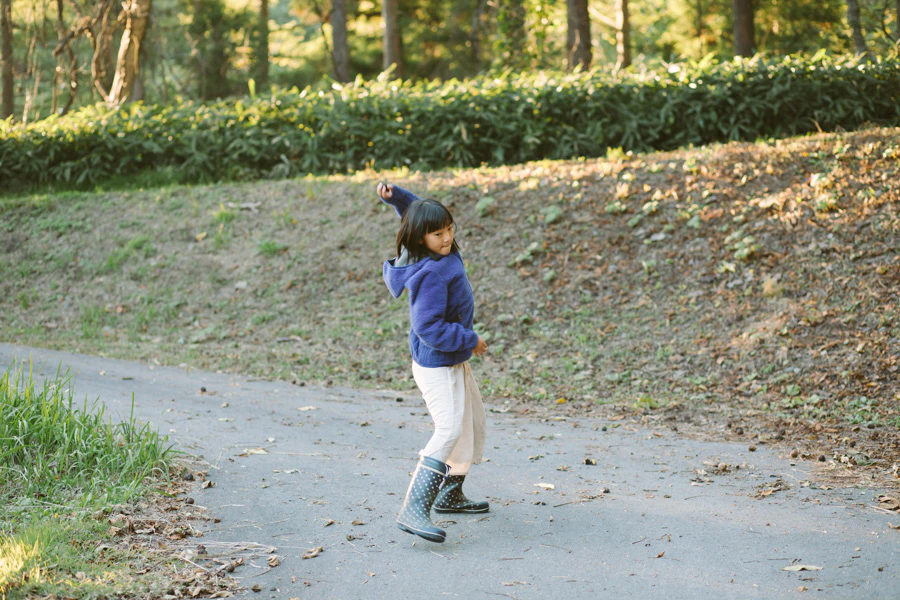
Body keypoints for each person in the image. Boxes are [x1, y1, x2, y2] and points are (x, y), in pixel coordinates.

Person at [378, 182, 489, 544]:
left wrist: (396, 197)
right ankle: (413, 508)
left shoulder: (446, 255)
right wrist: (470, 340)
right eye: (437, 234)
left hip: (451, 360)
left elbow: (416, 211)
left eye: (449, 229)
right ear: (419, 239)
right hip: (437, 364)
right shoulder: (429, 273)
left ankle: (450, 494)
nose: (446, 238)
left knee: (471, 424)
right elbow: (427, 327)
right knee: (448, 429)